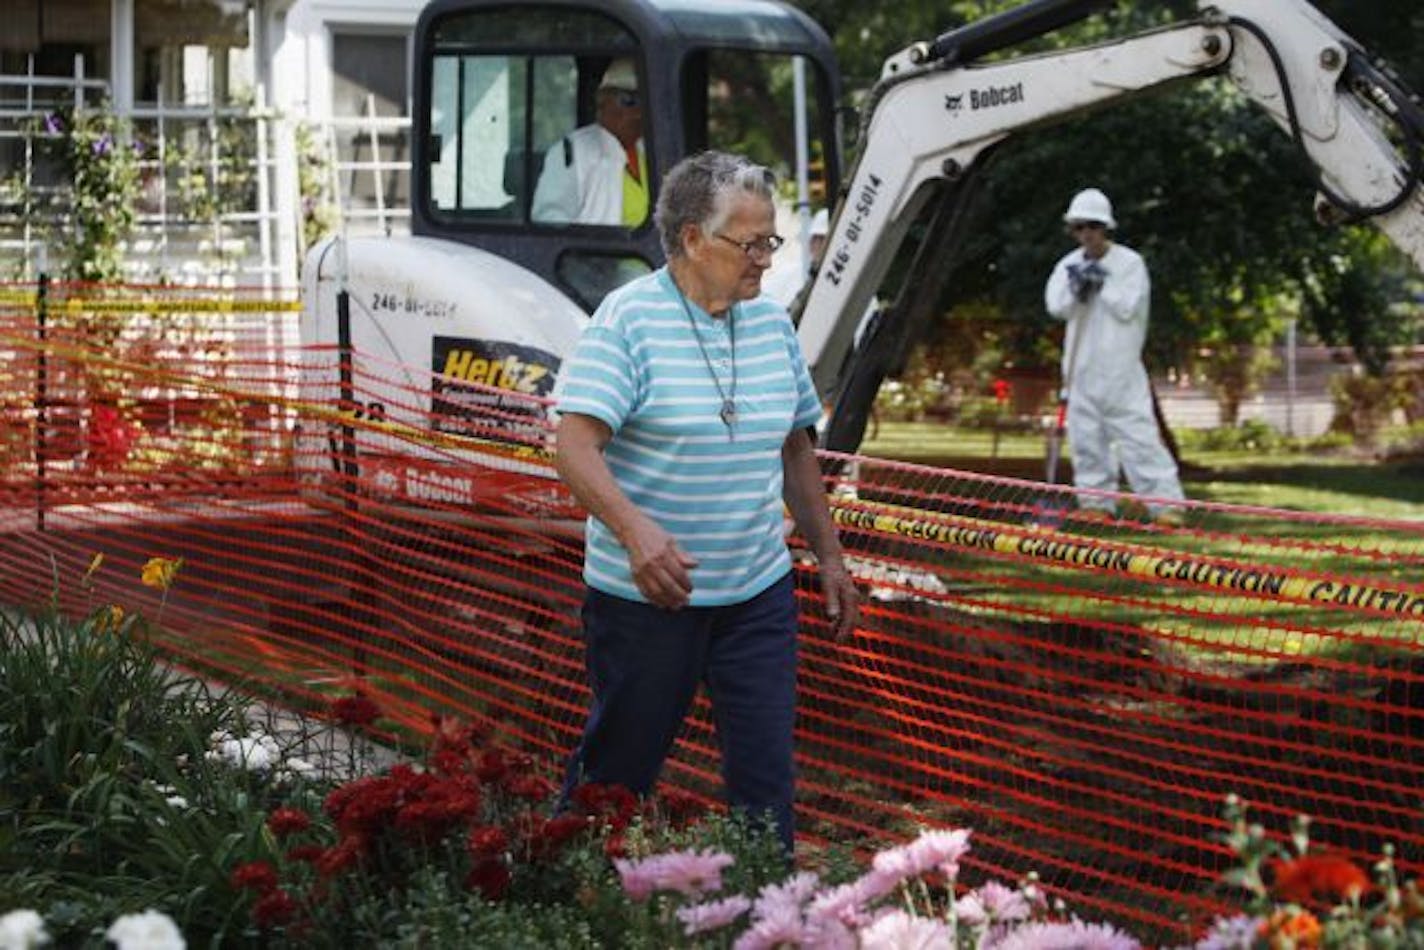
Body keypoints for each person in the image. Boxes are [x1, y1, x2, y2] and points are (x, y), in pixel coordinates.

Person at [552, 150, 859, 855]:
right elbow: (573, 445)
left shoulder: (772, 326)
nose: (764, 260)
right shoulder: (627, 320)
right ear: (692, 239)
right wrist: (637, 534)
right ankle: (558, 890)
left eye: (769, 242)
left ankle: (766, 915)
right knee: (617, 775)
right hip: (650, 599)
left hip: (757, 592)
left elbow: (794, 449)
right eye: (749, 243)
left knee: (766, 778)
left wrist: (831, 559)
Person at [1044, 187, 1185, 524]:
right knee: (1087, 439)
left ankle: (1165, 505)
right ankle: (1096, 502)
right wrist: (1076, 289)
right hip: (1080, 370)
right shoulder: (1068, 265)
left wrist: (1102, 284)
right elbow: (1056, 307)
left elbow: (1127, 307)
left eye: (1092, 226)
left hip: (1120, 371)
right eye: (1079, 227)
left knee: (1139, 437)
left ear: (1105, 227)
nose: (1086, 234)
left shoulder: (1129, 263)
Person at [532, 57, 648, 225]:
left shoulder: (652, 148)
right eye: (629, 101)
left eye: (644, 102)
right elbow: (549, 220)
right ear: (602, 101)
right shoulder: (574, 151)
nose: (638, 112)